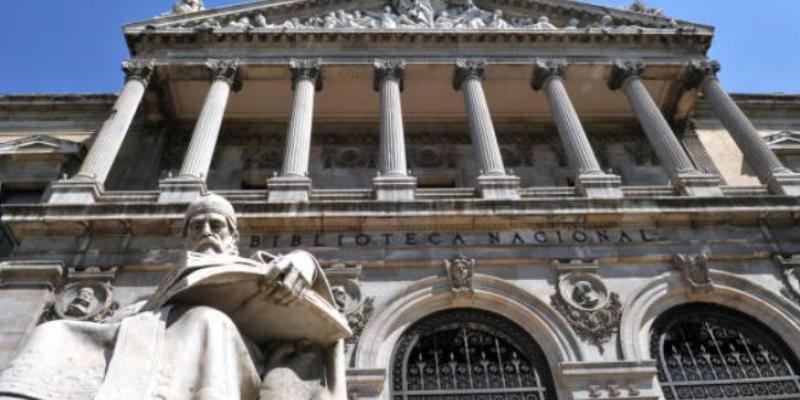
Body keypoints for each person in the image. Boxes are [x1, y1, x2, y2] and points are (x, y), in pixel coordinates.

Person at [0, 193, 346, 400]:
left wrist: (304, 262)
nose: (206, 231)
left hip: (235, 355)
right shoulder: (171, 281)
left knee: (205, 319)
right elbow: (127, 322)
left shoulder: (259, 265)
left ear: (233, 237)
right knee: (54, 331)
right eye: (197, 226)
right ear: (187, 238)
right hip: (153, 338)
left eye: (216, 225)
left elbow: (318, 311)